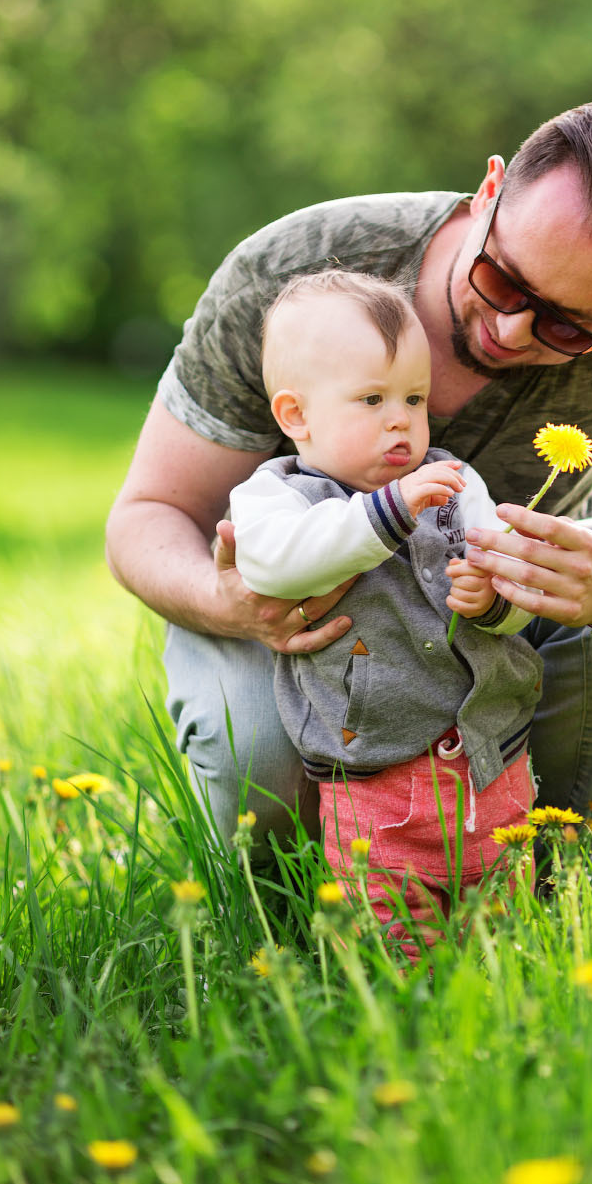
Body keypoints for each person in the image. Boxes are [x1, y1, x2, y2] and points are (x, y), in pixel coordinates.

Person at [106, 98, 592, 863]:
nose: (511, 332)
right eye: (502, 280)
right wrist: (228, 603)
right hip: (296, 623)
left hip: (494, 635)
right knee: (257, 753)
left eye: (569, 326)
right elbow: (150, 511)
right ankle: (287, 917)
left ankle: (539, 863)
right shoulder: (294, 272)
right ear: (488, 190)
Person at [229, 270, 542, 947]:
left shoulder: (456, 482)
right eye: (372, 398)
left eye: (414, 397)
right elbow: (279, 561)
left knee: (506, 938)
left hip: (490, 765)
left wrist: (492, 602)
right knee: (393, 940)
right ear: (296, 416)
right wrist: (390, 512)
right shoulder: (275, 498)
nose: (401, 418)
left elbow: (516, 583)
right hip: (373, 782)